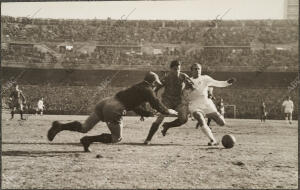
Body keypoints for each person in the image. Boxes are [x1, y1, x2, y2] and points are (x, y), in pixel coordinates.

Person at [47, 71, 178, 152]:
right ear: (153, 82)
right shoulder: (148, 90)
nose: (156, 86)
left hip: (106, 101)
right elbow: (157, 105)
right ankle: (88, 140)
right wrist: (169, 111)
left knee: (84, 127)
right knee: (116, 138)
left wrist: (145, 113)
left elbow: (133, 105)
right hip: (115, 108)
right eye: (156, 84)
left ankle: (60, 126)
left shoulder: (137, 86)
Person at [161, 63, 236, 145]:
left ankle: (212, 123)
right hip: (194, 104)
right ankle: (212, 140)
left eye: (199, 69)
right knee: (200, 118)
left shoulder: (205, 78)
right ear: (191, 71)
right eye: (195, 69)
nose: (197, 70)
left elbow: (217, 83)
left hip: (206, 103)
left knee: (222, 123)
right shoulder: (187, 81)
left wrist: (227, 82)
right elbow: (183, 94)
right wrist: (186, 91)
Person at [144, 60, 193, 144]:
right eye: (174, 69)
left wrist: (189, 85)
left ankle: (167, 125)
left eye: (178, 69)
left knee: (184, 119)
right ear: (170, 69)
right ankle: (148, 139)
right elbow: (156, 88)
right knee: (159, 119)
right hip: (167, 101)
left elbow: (192, 86)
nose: (176, 71)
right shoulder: (166, 78)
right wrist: (153, 99)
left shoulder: (183, 76)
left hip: (178, 101)